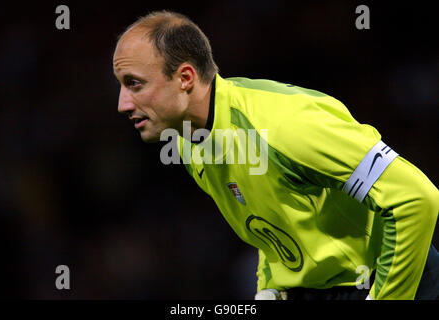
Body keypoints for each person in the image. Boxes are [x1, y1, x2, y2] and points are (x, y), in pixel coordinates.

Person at [112, 10, 439, 300]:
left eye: (135, 84)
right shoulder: (186, 141)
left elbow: (415, 199)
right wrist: (270, 285)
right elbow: (272, 225)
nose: (122, 104)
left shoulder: (286, 125)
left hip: (393, 280)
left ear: (185, 78)